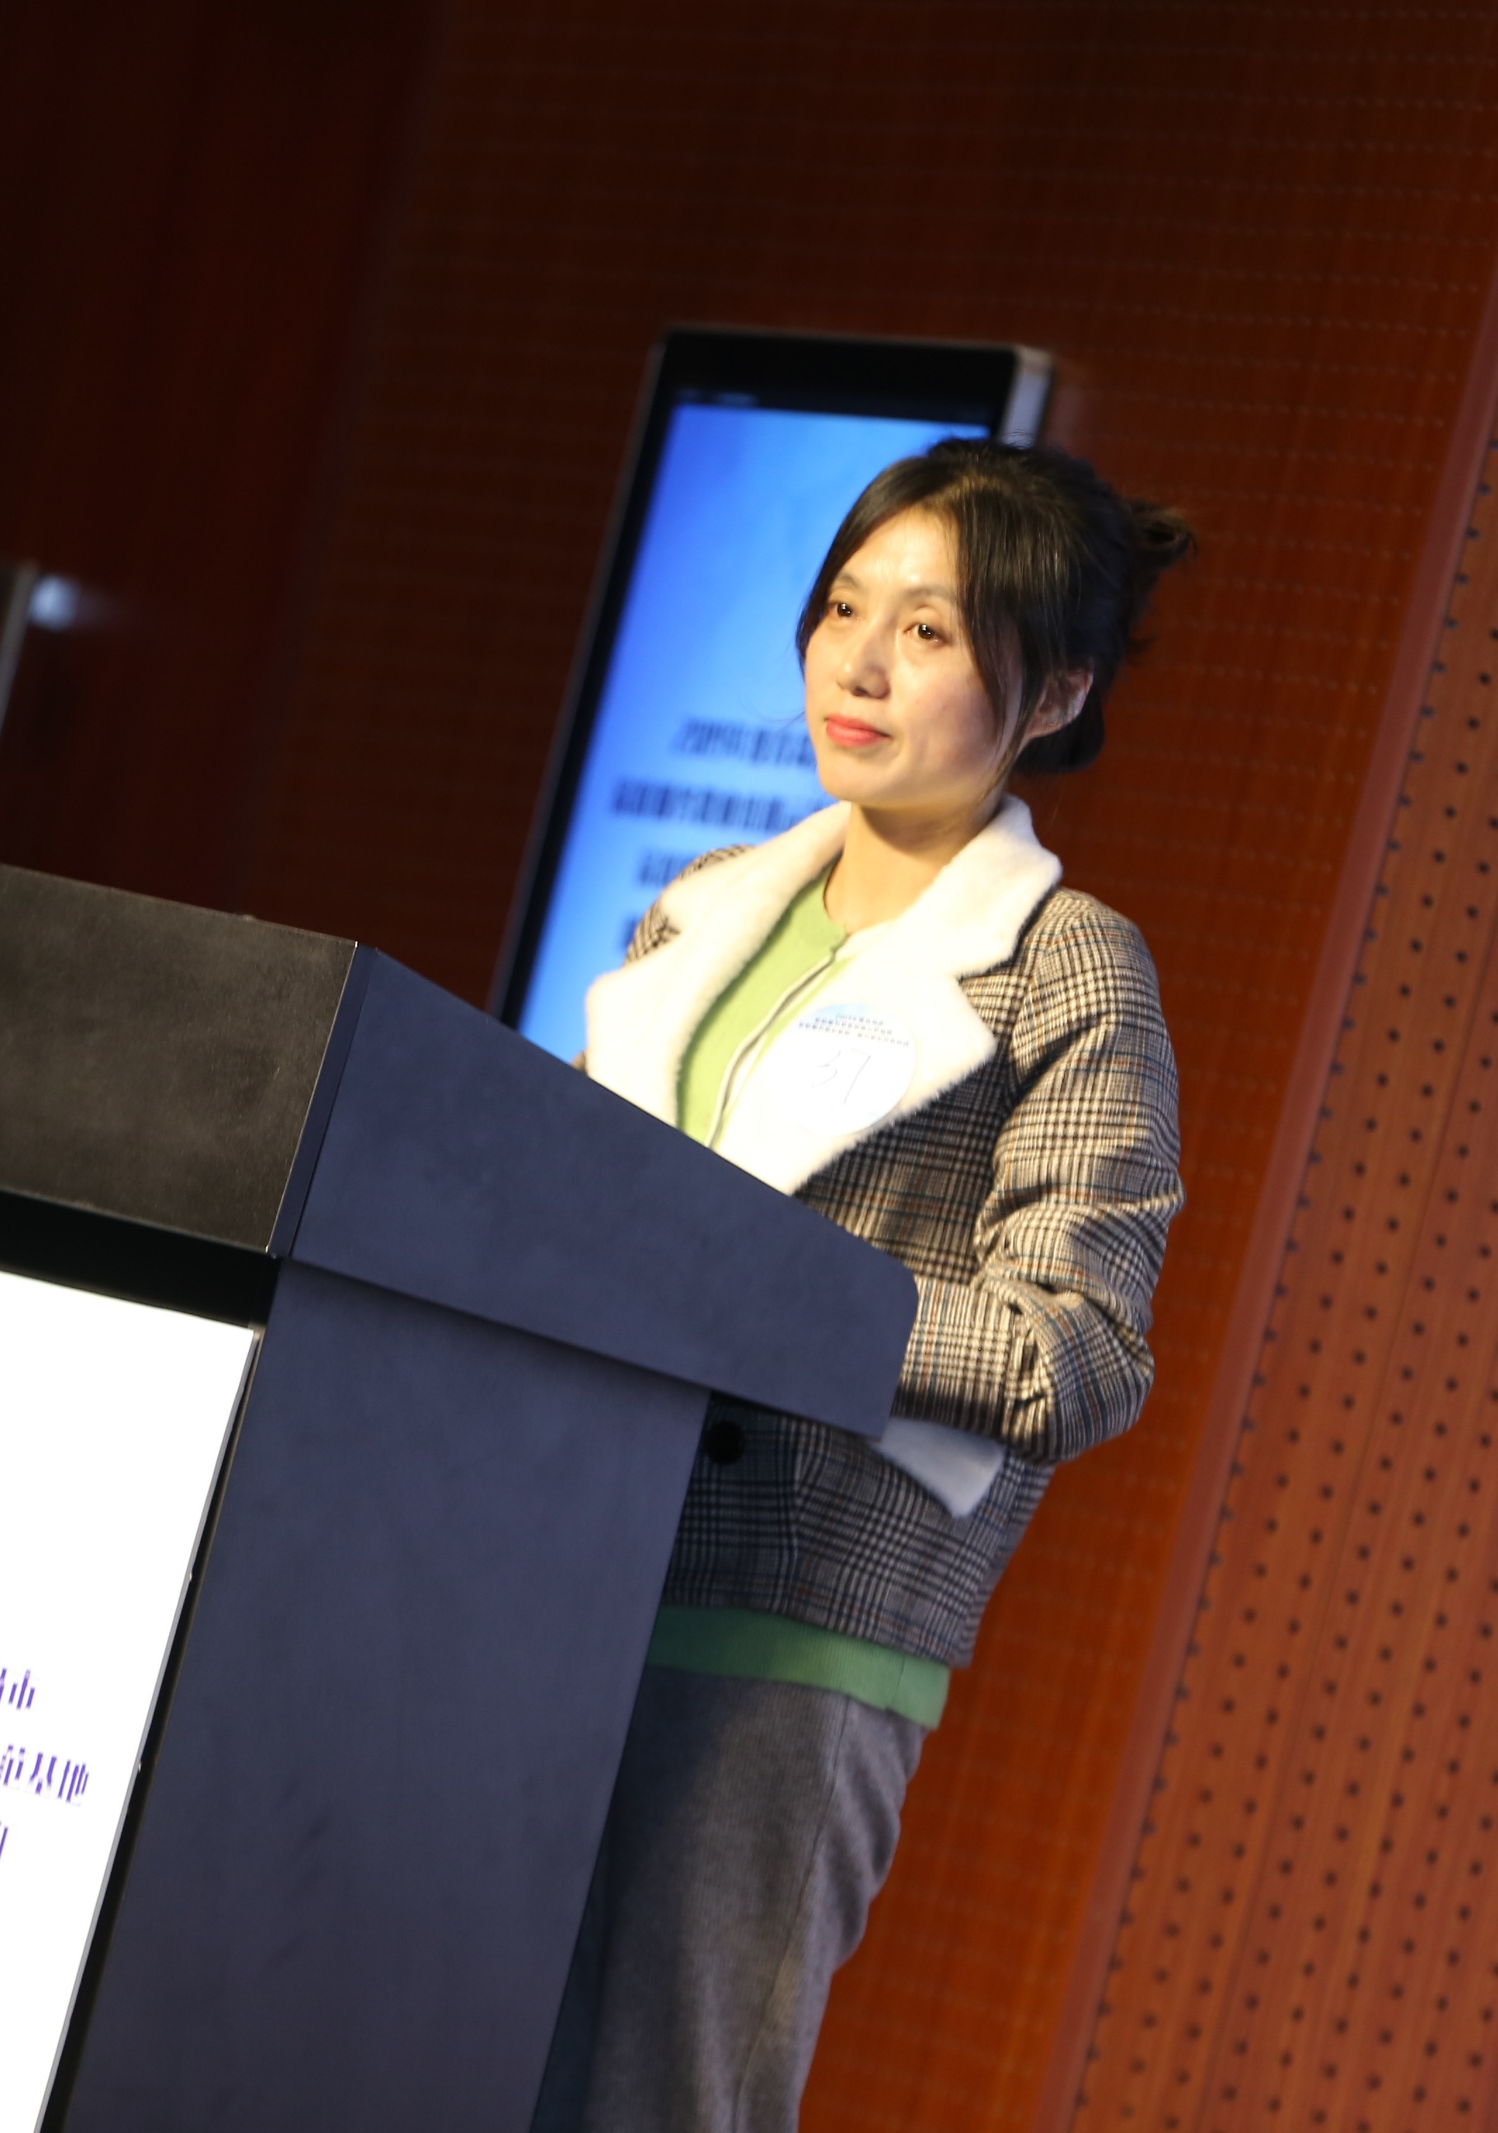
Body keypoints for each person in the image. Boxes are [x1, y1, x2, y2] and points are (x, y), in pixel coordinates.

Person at [532, 438, 1195, 2132]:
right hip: (554, 1561)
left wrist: (780, 1292)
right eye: (845, 607)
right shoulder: (705, 906)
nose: (860, 661)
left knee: (664, 2103)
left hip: (790, 1629)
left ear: (1056, 692)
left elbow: (1077, 1354)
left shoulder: (1070, 968)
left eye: (930, 629)